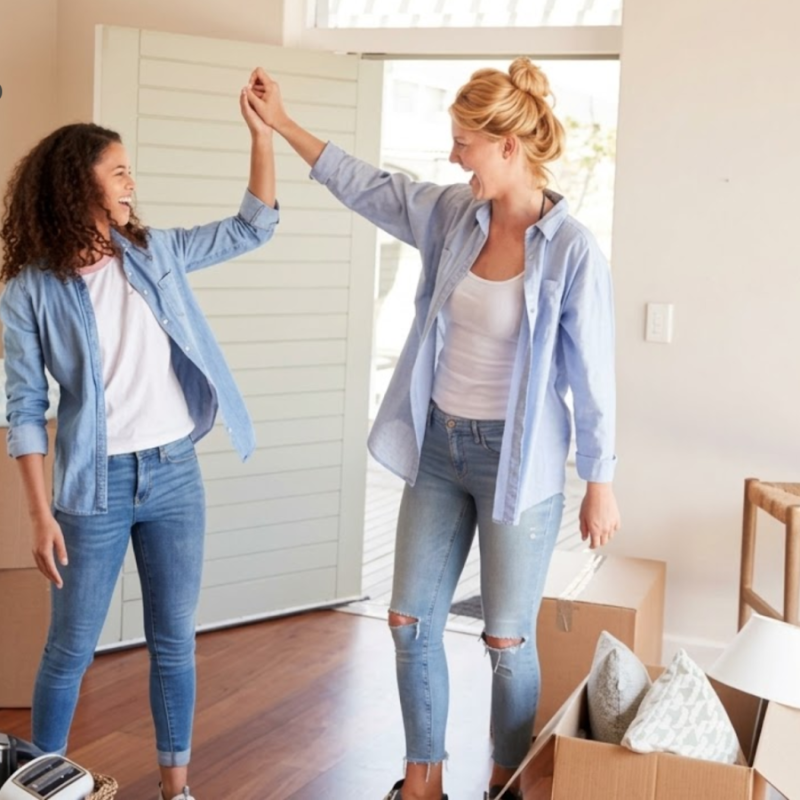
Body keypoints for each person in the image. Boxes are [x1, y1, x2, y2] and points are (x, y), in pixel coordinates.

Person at [245, 58, 620, 800]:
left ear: (508, 147)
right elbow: (368, 186)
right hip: (441, 447)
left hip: (520, 464)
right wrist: (280, 122)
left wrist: (600, 483)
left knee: (506, 640)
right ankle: (422, 783)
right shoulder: (453, 215)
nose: (453, 157)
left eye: (464, 143)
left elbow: (593, 380)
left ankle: (506, 780)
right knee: (409, 619)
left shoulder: (572, 252)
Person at [0, 72, 278, 800]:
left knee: (173, 642)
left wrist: (260, 134)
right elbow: (25, 407)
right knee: (69, 650)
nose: (131, 182)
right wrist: (38, 515)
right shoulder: (29, 288)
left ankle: (175, 788)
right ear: (76, 184)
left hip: (175, 473)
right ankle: (37, 787)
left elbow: (254, 225)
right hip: (91, 485)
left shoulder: (156, 254)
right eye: (119, 170)